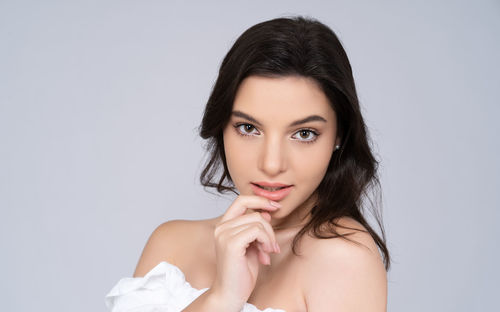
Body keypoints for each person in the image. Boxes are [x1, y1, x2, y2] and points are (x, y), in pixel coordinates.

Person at [105, 16, 390, 312]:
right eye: (249, 128)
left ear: (338, 136)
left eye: (304, 134)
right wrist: (222, 297)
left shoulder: (344, 260)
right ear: (222, 126)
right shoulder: (171, 243)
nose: (271, 163)